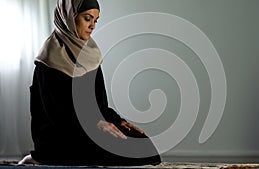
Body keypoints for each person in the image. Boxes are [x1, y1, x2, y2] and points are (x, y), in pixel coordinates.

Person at [18, 0, 161, 166]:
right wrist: (95, 124)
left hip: (91, 127)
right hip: (62, 135)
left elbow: (100, 104)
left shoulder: (90, 53)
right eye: (87, 18)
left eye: (95, 20)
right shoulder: (50, 57)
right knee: (125, 151)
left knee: (142, 145)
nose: (92, 26)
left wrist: (117, 121)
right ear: (70, 17)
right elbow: (55, 113)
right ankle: (39, 158)